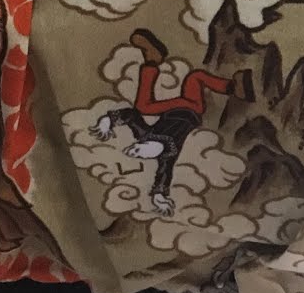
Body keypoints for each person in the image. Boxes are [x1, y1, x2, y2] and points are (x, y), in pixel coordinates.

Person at [89, 29, 253, 215]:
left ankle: (153, 60)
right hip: (191, 110)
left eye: (133, 149)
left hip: (174, 109)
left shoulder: (144, 135)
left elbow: (131, 115)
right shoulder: (169, 153)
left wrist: (107, 122)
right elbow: (163, 175)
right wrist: (159, 197)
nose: (135, 148)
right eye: (136, 151)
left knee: (149, 103)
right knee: (192, 79)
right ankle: (231, 87)